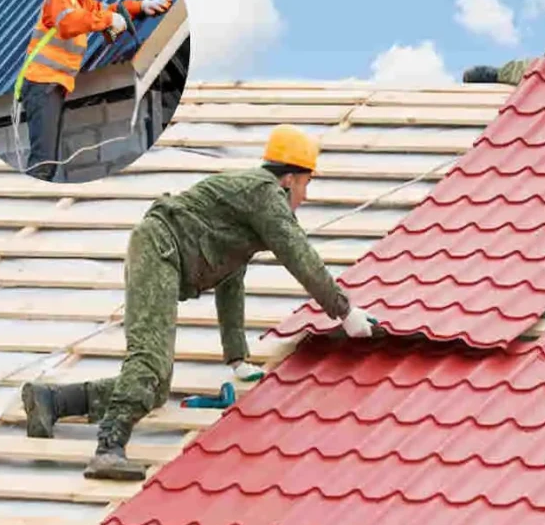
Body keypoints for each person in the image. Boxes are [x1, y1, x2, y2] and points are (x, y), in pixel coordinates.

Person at [19, 124, 377, 481]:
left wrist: (236, 357)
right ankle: (108, 449)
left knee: (156, 388)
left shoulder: (249, 210)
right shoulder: (264, 194)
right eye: (306, 184)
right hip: (160, 249)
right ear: (289, 179)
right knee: (148, 361)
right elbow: (300, 256)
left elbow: (231, 280)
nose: (306, 196)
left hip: (161, 252)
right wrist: (344, 311)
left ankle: (53, 401)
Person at [14, 0, 173, 181]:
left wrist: (141, 5)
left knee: (49, 163)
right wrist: (108, 20)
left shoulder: (86, 4)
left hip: (53, 87)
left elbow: (110, 9)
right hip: (41, 83)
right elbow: (68, 23)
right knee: (43, 163)